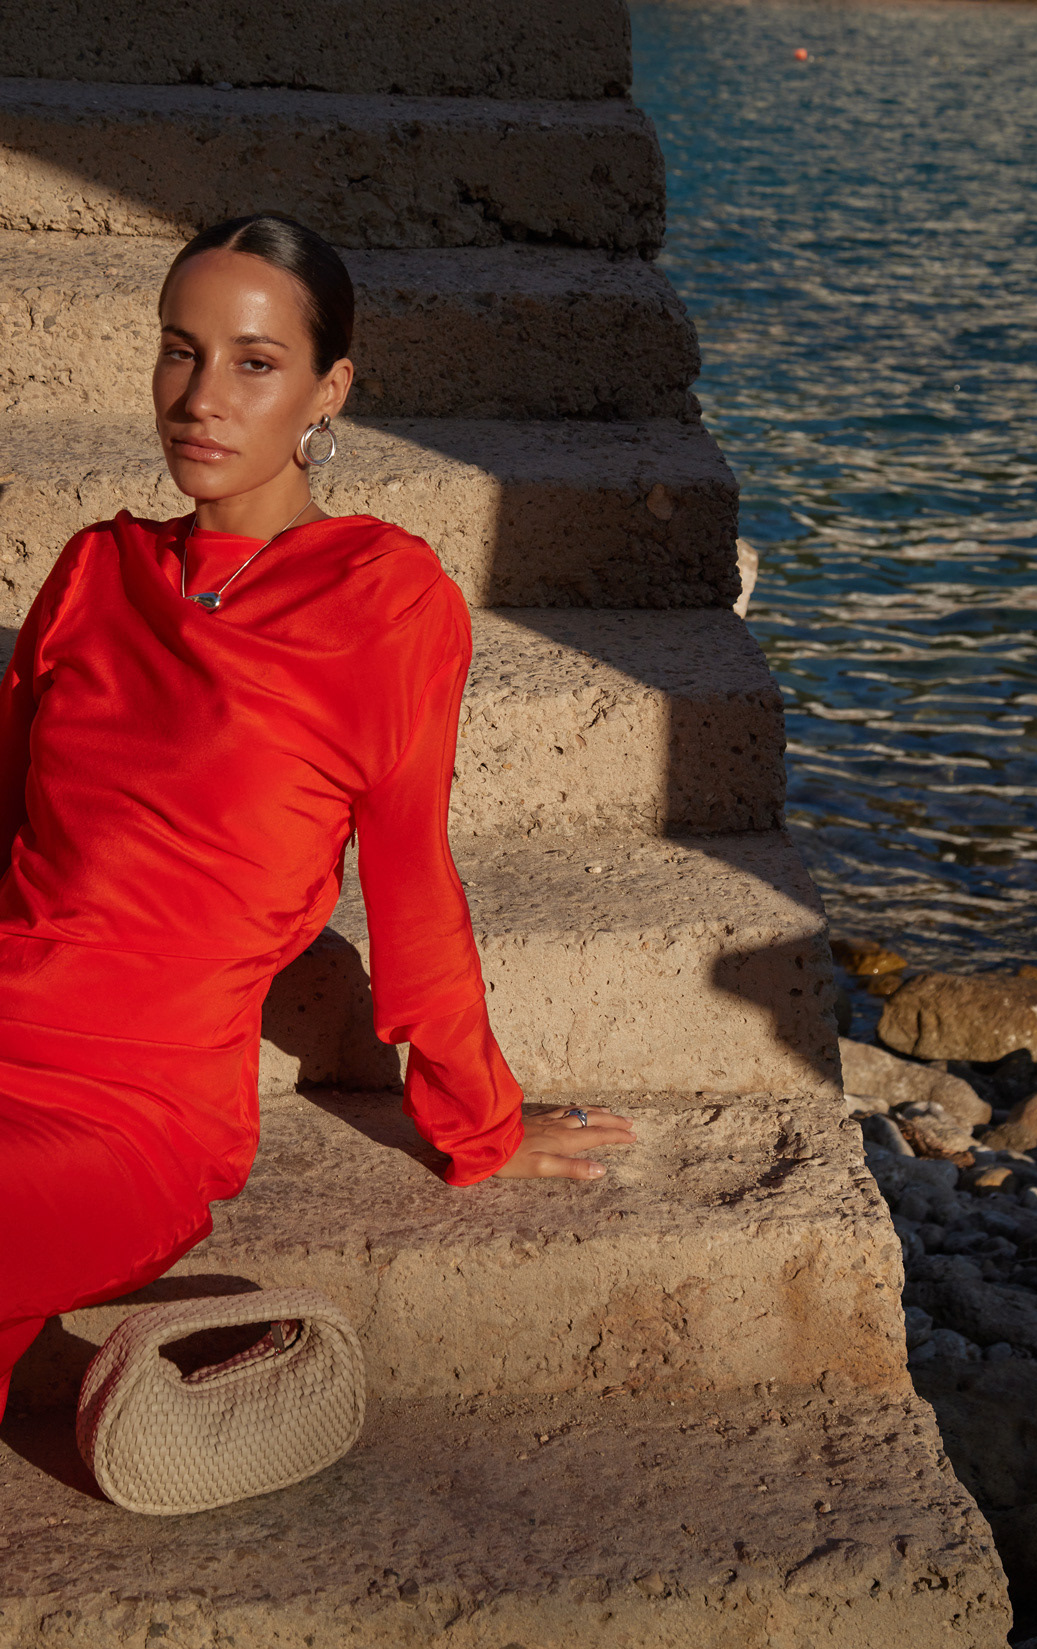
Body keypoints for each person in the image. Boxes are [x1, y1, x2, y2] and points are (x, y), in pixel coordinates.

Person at [0, 214, 636, 1423]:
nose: (200, 397)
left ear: (327, 390)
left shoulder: (381, 599)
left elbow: (413, 884)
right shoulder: (95, 570)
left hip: (133, 1110)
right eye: (179, 350)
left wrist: (479, 1123)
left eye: (254, 362)